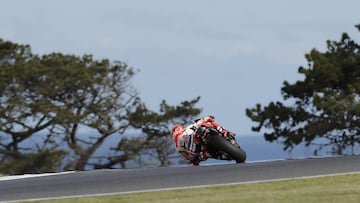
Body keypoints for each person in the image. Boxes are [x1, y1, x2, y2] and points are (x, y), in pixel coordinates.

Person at [170, 115, 236, 165]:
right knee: (203, 155)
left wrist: (193, 159)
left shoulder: (187, 129)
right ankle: (225, 133)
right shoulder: (179, 140)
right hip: (197, 148)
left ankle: (225, 133)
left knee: (209, 121)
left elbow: (188, 159)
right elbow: (189, 159)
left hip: (198, 146)